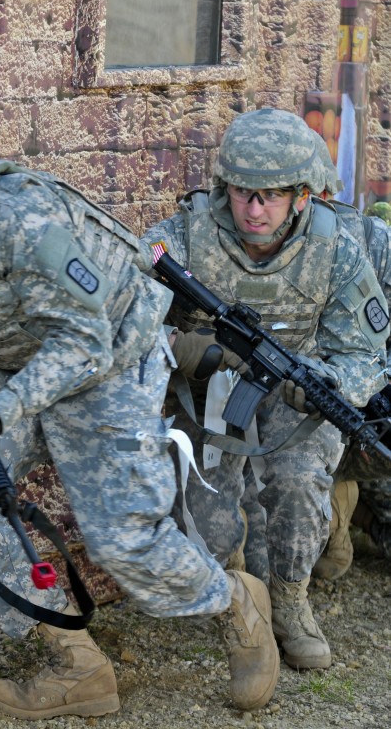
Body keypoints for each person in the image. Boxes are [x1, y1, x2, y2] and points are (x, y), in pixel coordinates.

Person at [0, 95, 280, 718]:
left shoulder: (13, 217)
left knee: (123, 541)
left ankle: (232, 599)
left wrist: (1, 409)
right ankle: (73, 661)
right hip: (14, 364)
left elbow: (85, 341)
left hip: (108, 362)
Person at [143, 108, 389, 672]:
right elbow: (118, 306)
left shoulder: (337, 248)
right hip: (206, 385)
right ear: (224, 187)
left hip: (297, 384)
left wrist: (330, 383)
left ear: (302, 196)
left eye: (271, 196)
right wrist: (176, 345)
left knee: (301, 486)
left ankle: (289, 601)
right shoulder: (185, 237)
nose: (254, 210)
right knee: (206, 526)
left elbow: (364, 354)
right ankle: (237, 592)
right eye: (242, 194)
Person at [307, 131, 391, 578]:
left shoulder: (373, 240)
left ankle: (351, 509)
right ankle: (338, 519)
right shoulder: (239, 251)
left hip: (369, 409)